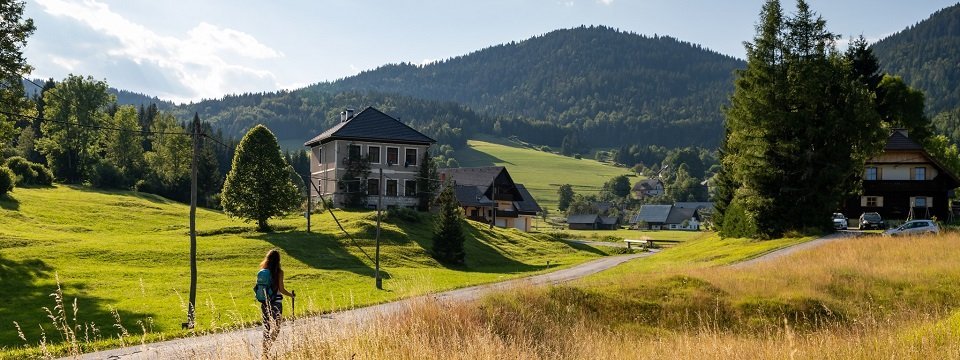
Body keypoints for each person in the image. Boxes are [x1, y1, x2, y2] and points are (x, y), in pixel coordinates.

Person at [259, 249, 294, 356]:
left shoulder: (263, 271)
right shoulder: (279, 272)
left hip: (264, 302)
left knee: (267, 328)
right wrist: (291, 295)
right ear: (278, 260)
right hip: (276, 302)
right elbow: (282, 289)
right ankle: (267, 349)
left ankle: (264, 352)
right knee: (277, 327)